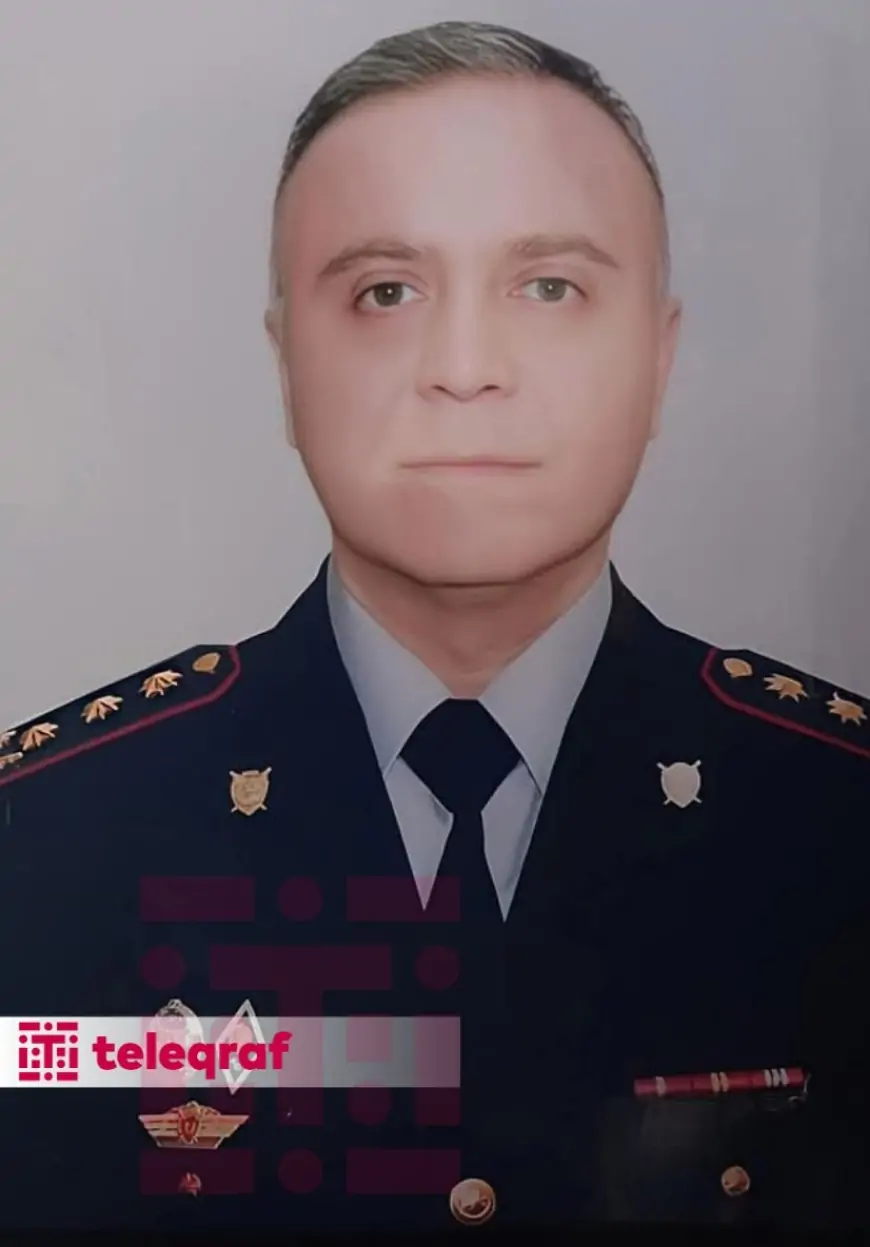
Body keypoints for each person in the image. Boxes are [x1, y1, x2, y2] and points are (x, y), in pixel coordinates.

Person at [0, 18, 867, 1232]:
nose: (464, 366)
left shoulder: (834, 814)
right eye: (385, 291)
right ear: (287, 364)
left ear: (659, 360)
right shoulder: (46, 842)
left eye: (550, 286)